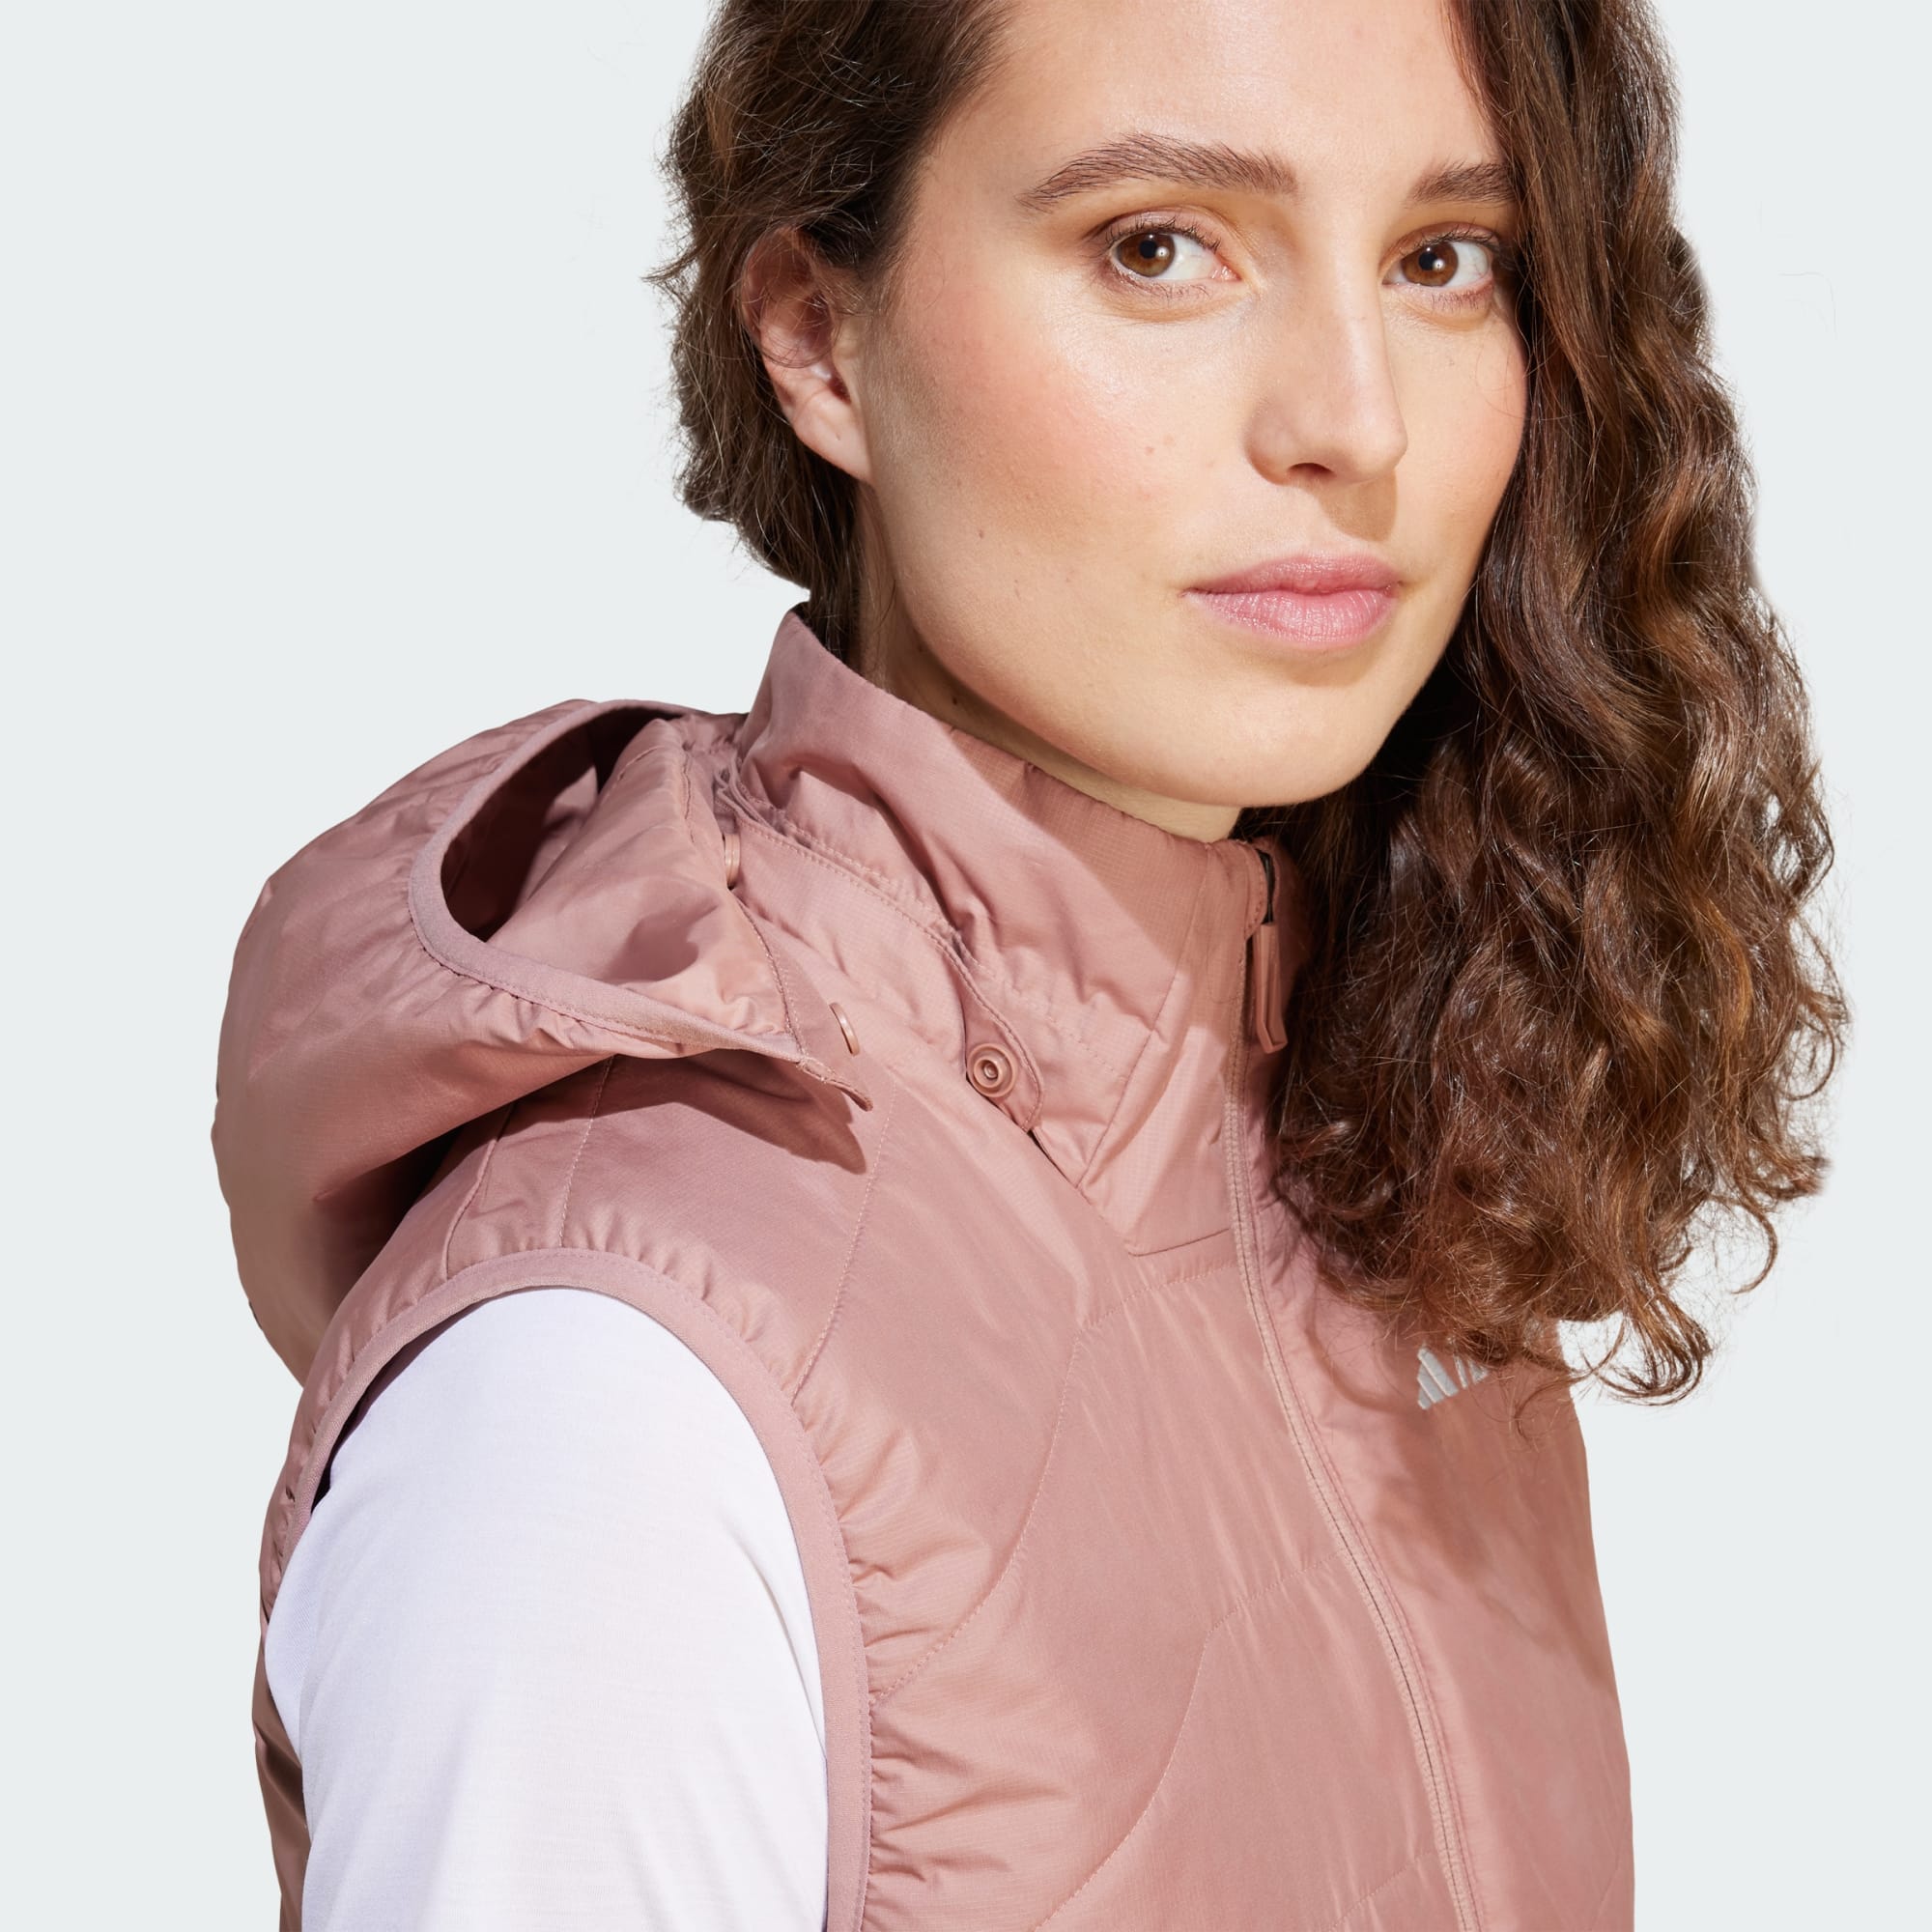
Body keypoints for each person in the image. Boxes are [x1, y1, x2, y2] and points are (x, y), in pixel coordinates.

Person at [213, 0, 1845, 1926]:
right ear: (817, 337)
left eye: (1442, 259)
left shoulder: (1383, 1167)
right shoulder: (604, 1423)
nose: (1356, 421)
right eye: (1157, 247)